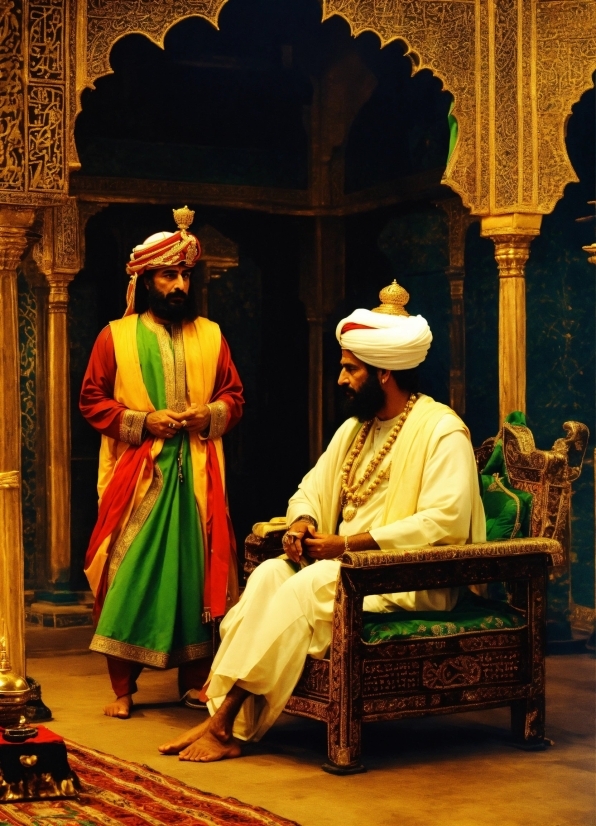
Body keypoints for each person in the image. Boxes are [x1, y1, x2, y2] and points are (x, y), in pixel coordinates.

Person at [159, 280, 485, 762]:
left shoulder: (442, 431)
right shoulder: (356, 428)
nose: (340, 379)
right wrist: (303, 524)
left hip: (405, 575)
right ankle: (219, 715)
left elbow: (446, 522)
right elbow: (310, 488)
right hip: (349, 570)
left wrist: (347, 544)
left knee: (303, 588)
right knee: (271, 573)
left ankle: (224, 723)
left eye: (350, 369)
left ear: (383, 373)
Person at [80, 206, 244, 718]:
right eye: (168, 274)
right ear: (145, 279)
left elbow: (234, 397)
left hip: (196, 471)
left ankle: (195, 682)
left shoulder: (212, 335)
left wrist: (208, 414)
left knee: (196, 574)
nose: (179, 285)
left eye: (185, 275)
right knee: (126, 569)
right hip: (138, 475)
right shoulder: (116, 336)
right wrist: (142, 422)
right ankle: (122, 690)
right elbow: (92, 400)